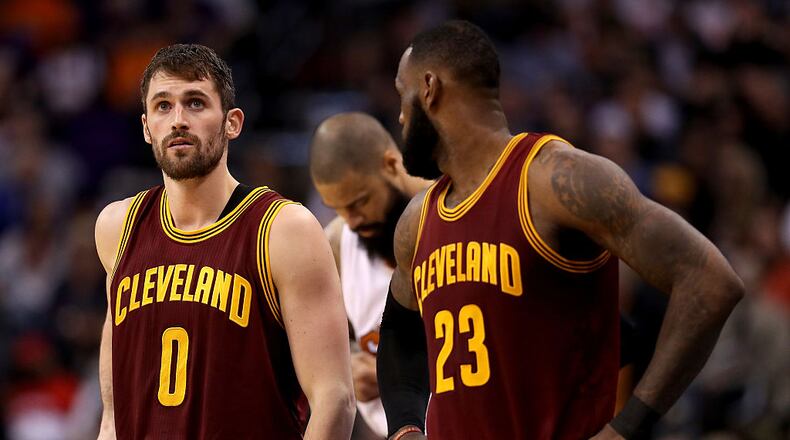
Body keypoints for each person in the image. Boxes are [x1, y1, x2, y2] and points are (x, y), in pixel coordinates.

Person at [377, 20, 744, 440]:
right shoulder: (417, 219)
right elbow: (398, 336)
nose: (401, 116)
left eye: (402, 96)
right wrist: (405, 427)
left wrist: (625, 429)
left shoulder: (554, 178)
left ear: (429, 88)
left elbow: (710, 281)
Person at [93, 44, 355, 439]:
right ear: (147, 128)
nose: (178, 120)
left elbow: (334, 398)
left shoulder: (282, 228)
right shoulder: (117, 226)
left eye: (195, 103)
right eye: (163, 106)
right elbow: (114, 411)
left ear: (232, 123)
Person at [309, 112, 431, 438]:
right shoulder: (337, 244)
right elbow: (316, 348)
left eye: (360, 201)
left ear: (391, 164)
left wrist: (397, 372)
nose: (352, 220)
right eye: (338, 208)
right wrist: (347, 365)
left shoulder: (449, 215)